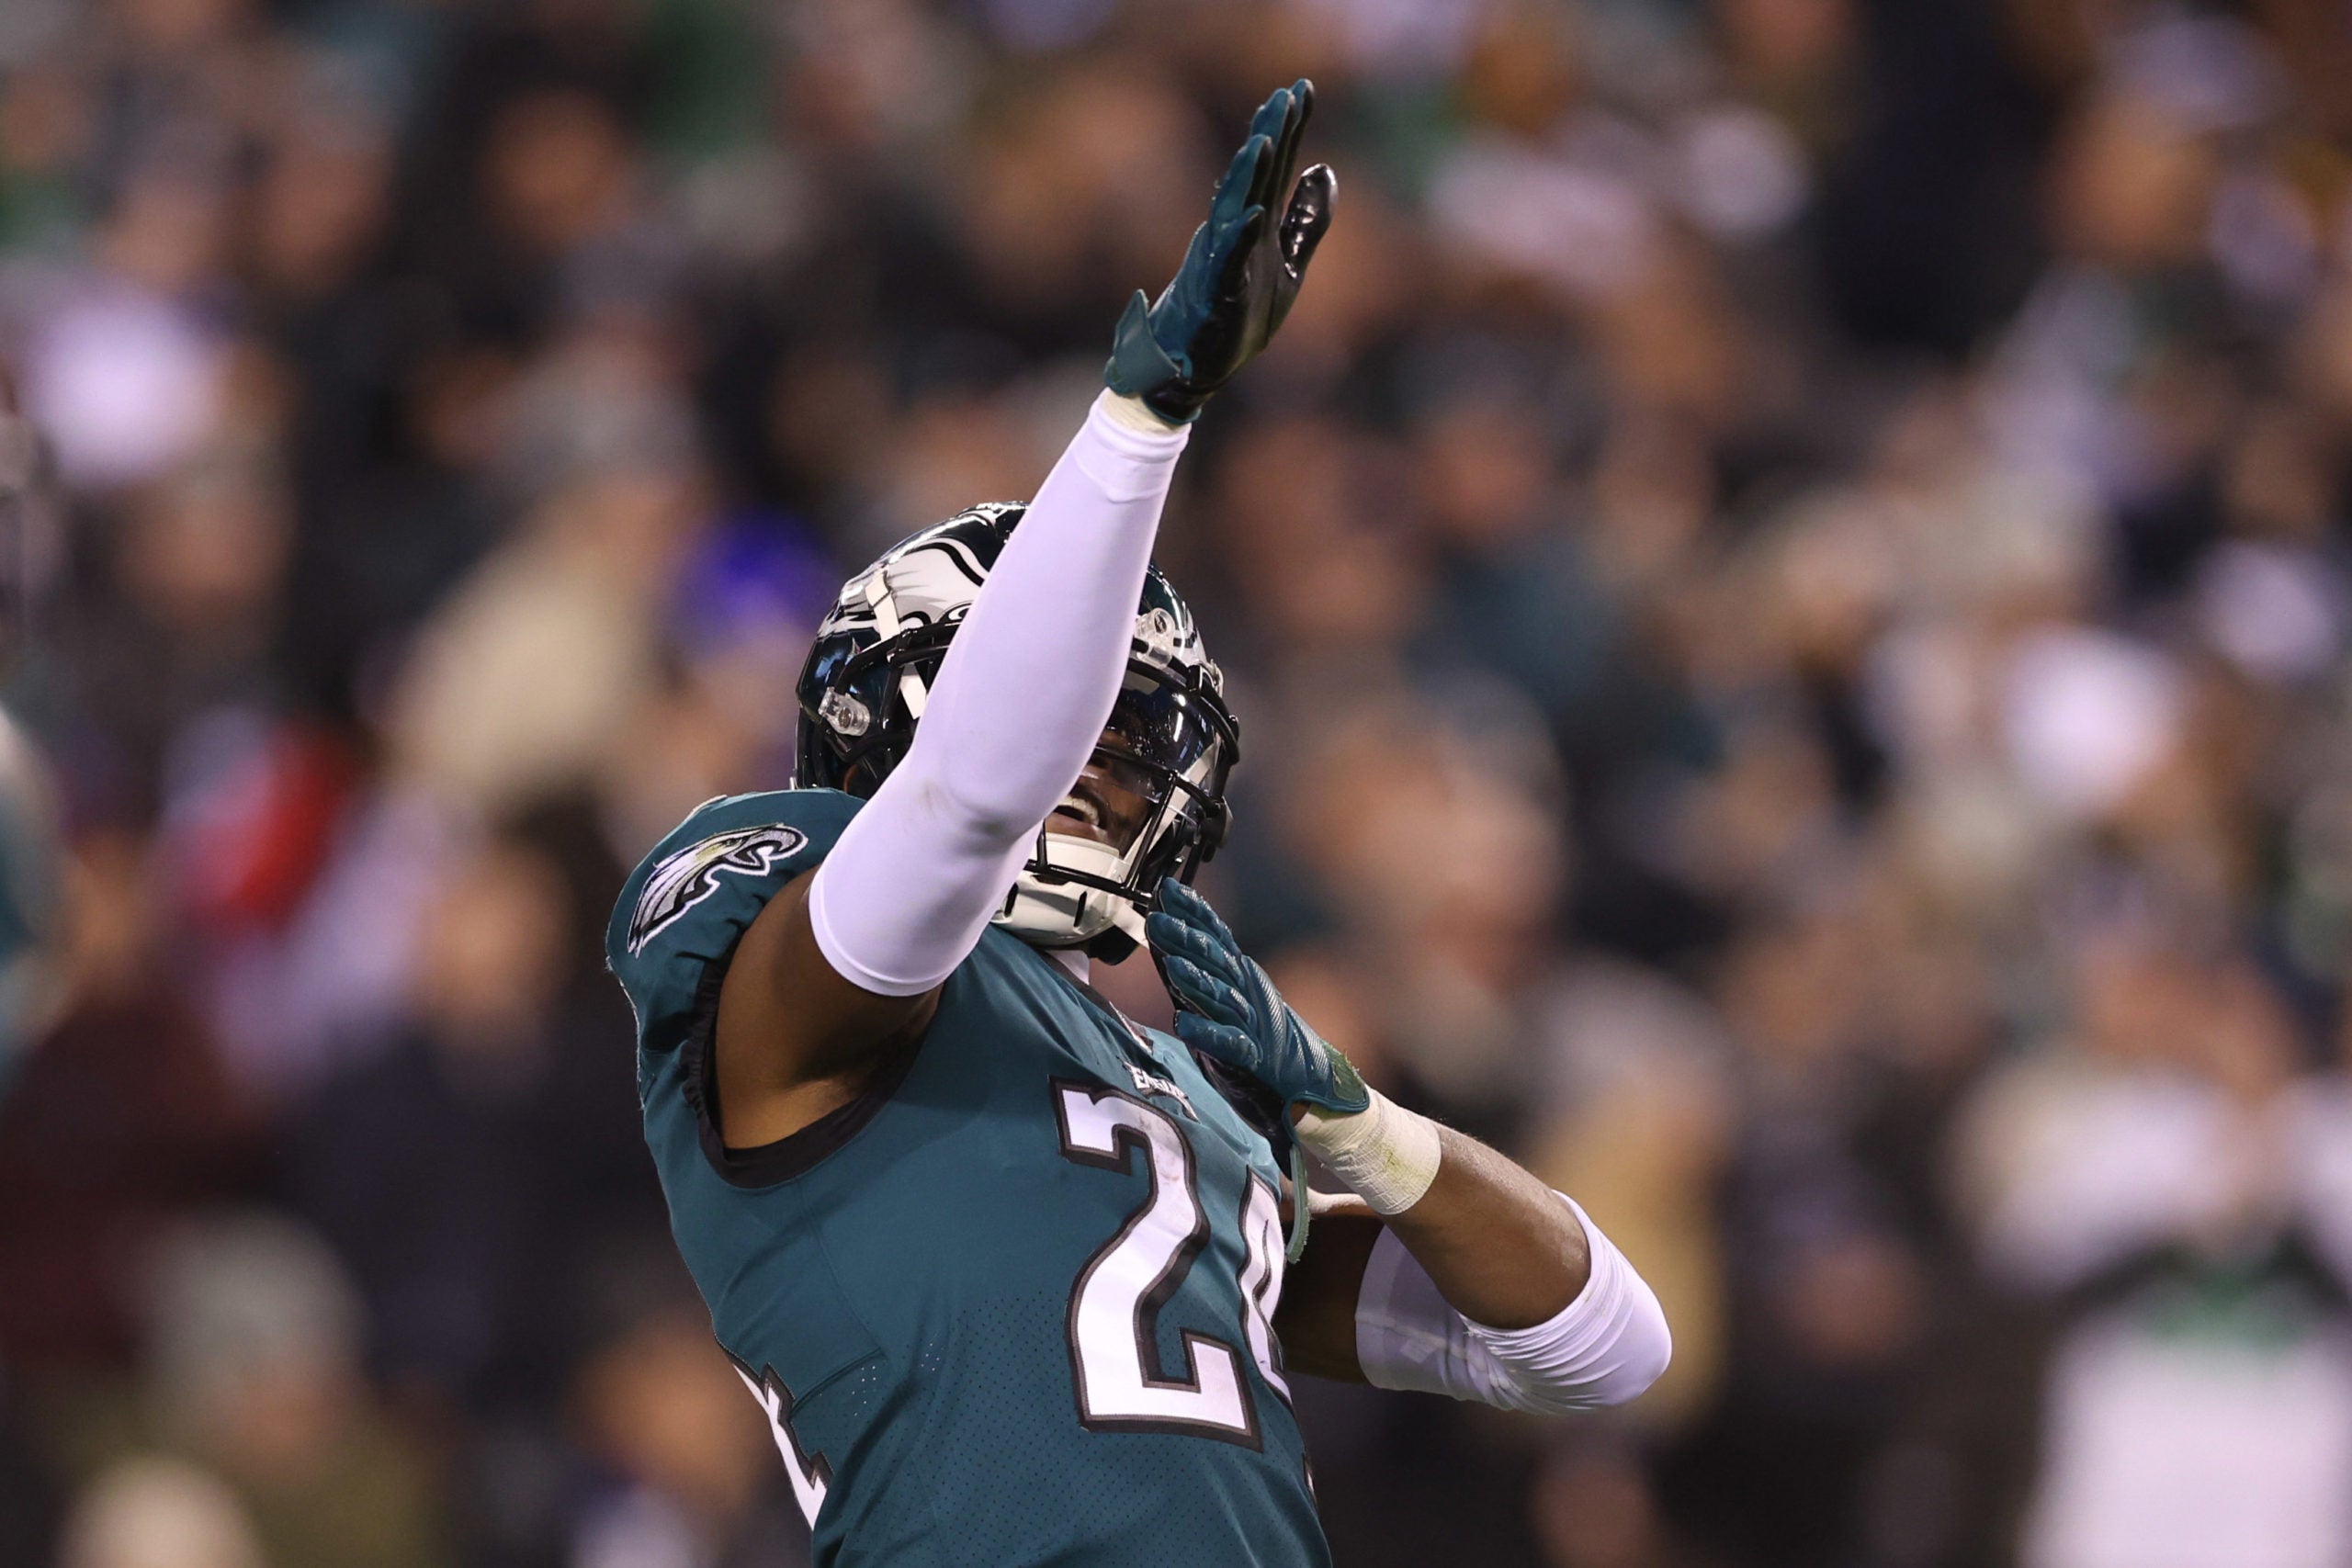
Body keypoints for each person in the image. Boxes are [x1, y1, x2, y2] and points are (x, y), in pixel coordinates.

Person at [606, 81, 1670, 1567]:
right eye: (1078, 720)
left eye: (1132, 748)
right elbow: (969, 803)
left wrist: (1370, 1133)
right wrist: (1138, 421)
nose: (1101, 773)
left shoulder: (1189, 1102)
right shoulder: (777, 954)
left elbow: (1603, 1349)